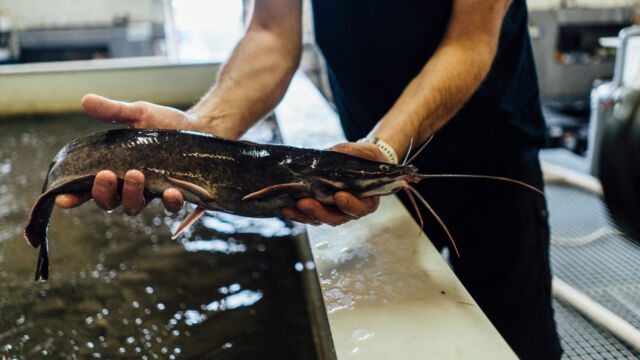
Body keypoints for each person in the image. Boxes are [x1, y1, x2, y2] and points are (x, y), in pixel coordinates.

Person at [56, 0, 562, 358]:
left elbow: (470, 40)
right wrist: (206, 130)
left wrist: (383, 150)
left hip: (488, 149)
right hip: (364, 149)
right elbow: (273, 34)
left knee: (516, 335)